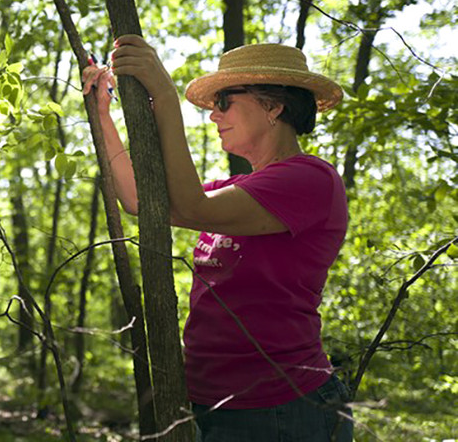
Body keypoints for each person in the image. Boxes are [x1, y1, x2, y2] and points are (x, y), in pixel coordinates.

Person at [83, 38, 353, 442]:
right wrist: (101, 114)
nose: (212, 115)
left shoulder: (310, 179)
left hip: (281, 406)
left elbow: (192, 208)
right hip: (213, 402)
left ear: (273, 105)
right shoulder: (235, 188)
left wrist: (164, 94)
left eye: (224, 100)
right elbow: (140, 200)